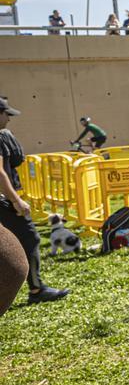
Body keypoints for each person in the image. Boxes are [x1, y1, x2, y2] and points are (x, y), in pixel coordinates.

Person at [0, 97, 69, 304]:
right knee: (30, 238)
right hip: (4, 200)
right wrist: (16, 200)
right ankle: (37, 290)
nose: (9, 119)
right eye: (7, 114)